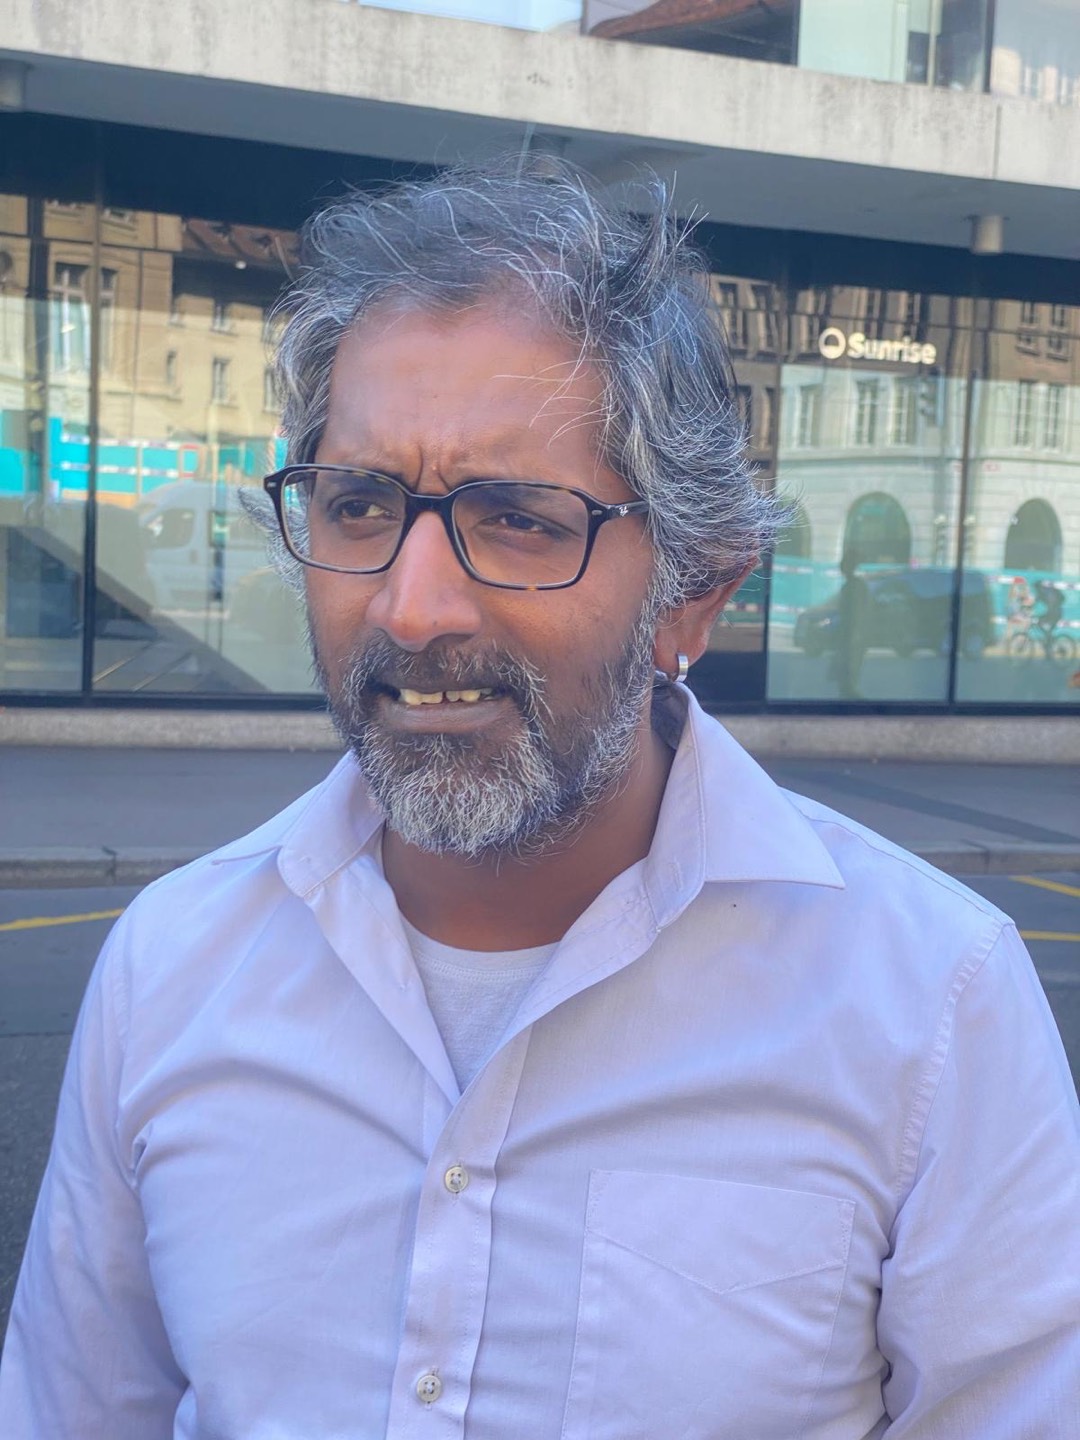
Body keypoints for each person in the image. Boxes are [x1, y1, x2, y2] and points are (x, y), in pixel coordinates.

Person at [2, 158, 1078, 1439]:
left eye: (517, 519)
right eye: (359, 505)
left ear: (693, 592)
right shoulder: (170, 969)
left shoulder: (932, 1006)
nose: (411, 607)